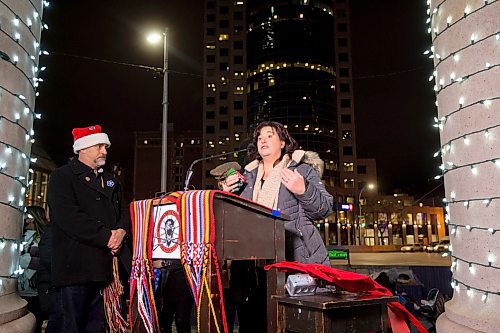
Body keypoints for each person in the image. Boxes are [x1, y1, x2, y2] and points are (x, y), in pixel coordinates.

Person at [220, 121, 334, 331]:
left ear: (283, 142)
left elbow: (325, 209)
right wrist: (227, 193)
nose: (263, 139)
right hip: (251, 268)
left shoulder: (301, 170)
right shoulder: (246, 178)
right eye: (259, 137)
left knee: (289, 324)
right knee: (252, 324)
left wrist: (303, 189)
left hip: (292, 261)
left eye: (269, 135)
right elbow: (233, 218)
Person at [47, 124, 131, 333]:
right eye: (99, 146)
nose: (104, 151)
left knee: (97, 327)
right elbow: (69, 217)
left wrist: (121, 232)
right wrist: (107, 237)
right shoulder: (62, 176)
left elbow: (125, 212)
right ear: (82, 149)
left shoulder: (111, 180)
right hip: (75, 269)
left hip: (105, 271)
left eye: (105, 146)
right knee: (71, 326)